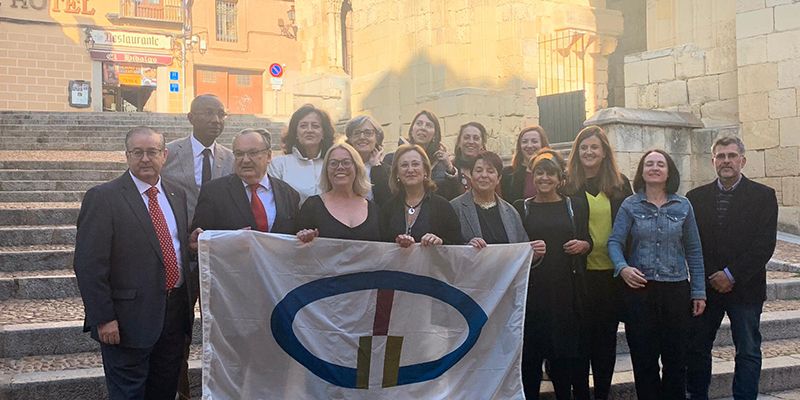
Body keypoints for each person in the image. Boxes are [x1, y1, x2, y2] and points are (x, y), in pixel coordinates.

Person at [73, 127, 193, 399]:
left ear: (165, 155)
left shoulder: (176, 194)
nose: (145, 158)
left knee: (163, 391)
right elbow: (89, 264)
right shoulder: (104, 197)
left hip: (172, 316)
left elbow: (171, 245)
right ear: (127, 155)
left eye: (152, 152)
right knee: (129, 394)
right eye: (137, 152)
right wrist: (103, 319)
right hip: (127, 322)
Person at [608, 149, 706, 400]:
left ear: (668, 171)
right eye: (649, 164)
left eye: (660, 164)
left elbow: (694, 250)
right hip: (640, 292)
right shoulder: (630, 205)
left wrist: (698, 291)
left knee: (676, 360)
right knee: (644, 360)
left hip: (675, 291)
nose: (654, 167)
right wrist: (623, 268)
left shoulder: (683, 205)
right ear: (642, 171)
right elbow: (614, 242)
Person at [686, 137, 778, 400]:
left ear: (742, 160)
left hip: (746, 288)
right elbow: (693, 244)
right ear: (713, 161)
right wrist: (711, 275)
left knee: (748, 350)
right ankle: (697, 395)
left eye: (731, 155)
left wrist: (731, 274)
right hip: (706, 288)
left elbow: (764, 245)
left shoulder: (763, 196)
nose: (726, 161)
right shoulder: (695, 198)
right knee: (697, 347)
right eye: (721, 156)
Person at [513, 149, 592, 400]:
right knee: (531, 358)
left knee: (563, 357)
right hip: (533, 292)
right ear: (533, 177)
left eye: (550, 173)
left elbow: (587, 239)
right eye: (539, 173)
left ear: (560, 179)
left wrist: (583, 246)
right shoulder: (521, 208)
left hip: (566, 291)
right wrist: (528, 251)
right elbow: (513, 247)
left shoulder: (575, 206)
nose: (544, 178)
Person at [563, 125, 632, 400]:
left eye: (594, 147)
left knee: (605, 343)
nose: (589, 152)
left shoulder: (619, 184)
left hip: (610, 276)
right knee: (580, 343)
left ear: (604, 152)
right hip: (578, 275)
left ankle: (602, 394)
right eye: (584, 147)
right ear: (577, 152)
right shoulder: (567, 184)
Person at [190, 128, 300, 243]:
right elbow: (199, 242)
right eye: (239, 154)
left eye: (253, 153)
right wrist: (231, 240)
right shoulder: (213, 192)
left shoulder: (288, 194)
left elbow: (295, 239)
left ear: (268, 156)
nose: (245, 160)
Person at [162, 94, 235, 222]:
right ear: (191, 118)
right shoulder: (168, 153)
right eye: (208, 113)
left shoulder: (231, 158)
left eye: (221, 114)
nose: (216, 120)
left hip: (216, 234)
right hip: (178, 231)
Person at [380, 144, 463, 247]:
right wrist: (397, 243)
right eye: (404, 165)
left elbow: (458, 246)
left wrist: (440, 242)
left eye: (415, 164)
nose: (410, 170)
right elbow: (380, 248)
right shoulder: (388, 209)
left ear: (425, 170)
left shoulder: (442, 207)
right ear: (397, 173)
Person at [296, 143, 381, 243]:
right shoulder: (312, 206)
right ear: (326, 170)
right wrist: (303, 237)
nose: (340, 167)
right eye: (333, 163)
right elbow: (297, 250)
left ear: (357, 167)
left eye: (346, 162)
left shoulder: (374, 209)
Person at [450, 150, 528, 247]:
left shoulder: (511, 213)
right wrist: (467, 248)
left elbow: (521, 248)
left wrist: (534, 254)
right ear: (471, 175)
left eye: (490, 171)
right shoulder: (454, 208)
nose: (484, 175)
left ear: (499, 178)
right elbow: (448, 248)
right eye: (479, 171)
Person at [383, 110, 462, 200]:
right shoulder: (391, 159)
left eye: (428, 125)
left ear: (435, 135)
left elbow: (452, 196)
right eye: (419, 123)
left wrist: (449, 168)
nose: (423, 128)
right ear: (412, 130)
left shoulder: (442, 165)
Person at [268, 104, 335, 204]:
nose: (309, 130)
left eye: (315, 126)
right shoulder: (278, 165)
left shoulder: (333, 164)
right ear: (295, 132)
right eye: (303, 126)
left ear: (324, 133)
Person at [344, 115, 392, 206]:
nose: (362, 137)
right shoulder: (342, 166)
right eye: (357, 133)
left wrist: (376, 167)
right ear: (350, 139)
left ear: (377, 138)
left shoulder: (386, 170)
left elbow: (386, 202)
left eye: (368, 133)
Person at [501, 126, 551, 204]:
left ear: (543, 144)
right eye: (524, 142)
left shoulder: (554, 173)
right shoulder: (507, 174)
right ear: (519, 146)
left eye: (534, 141)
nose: (529, 145)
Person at [451, 122, 488, 194]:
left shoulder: (490, 170)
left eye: (476, 138)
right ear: (459, 142)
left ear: (482, 144)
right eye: (466, 137)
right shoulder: (450, 169)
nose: (471, 142)